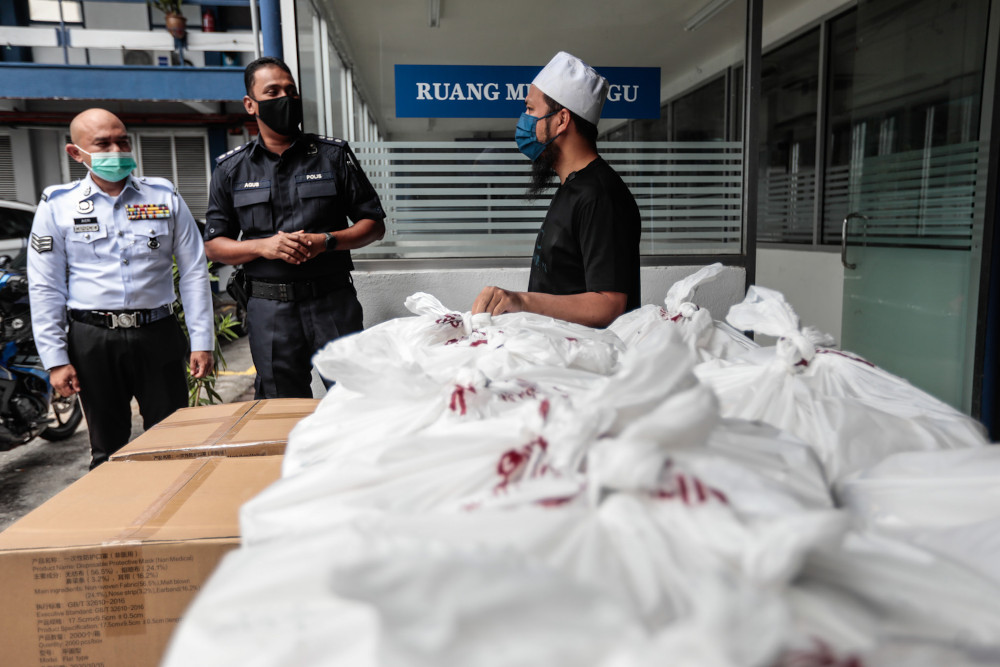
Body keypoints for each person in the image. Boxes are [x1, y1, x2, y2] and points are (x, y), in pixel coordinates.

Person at [28, 108, 215, 468]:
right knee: (107, 450)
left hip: (157, 333)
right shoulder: (58, 206)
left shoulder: (163, 197)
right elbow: (45, 285)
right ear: (76, 153)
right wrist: (55, 360)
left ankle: (170, 520)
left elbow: (193, 271)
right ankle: (117, 522)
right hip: (92, 339)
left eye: (122, 141)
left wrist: (202, 341)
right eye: (103, 143)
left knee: (172, 442)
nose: (117, 151)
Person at [203, 56, 386, 399]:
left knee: (353, 398)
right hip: (270, 310)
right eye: (272, 91)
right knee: (279, 406)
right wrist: (261, 246)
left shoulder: (332, 156)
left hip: (332, 301)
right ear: (250, 104)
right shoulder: (231, 169)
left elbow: (374, 225)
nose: (285, 98)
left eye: (291, 91)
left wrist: (326, 241)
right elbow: (214, 246)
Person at [472, 51, 641, 328]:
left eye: (530, 109)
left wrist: (522, 302)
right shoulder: (571, 186)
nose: (523, 121)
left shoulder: (601, 196)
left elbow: (608, 304)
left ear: (561, 120)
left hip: (590, 362)